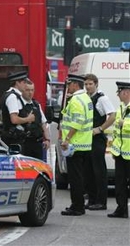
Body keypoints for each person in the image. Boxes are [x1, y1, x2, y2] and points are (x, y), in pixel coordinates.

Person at [60, 74, 94, 216]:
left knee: (75, 178)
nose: (68, 87)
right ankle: (79, 205)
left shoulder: (75, 100)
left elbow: (77, 122)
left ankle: (77, 206)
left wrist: (67, 139)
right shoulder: (86, 98)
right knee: (80, 176)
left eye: (69, 84)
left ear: (75, 85)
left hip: (75, 145)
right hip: (85, 144)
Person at [83, 73, 116, 211]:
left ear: (96, 84)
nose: (88, 86)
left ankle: (101, 202)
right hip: (86, 139)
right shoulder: (86, 98)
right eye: (86, 84)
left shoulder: (102, 99)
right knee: (89, 171)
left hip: (97, 139)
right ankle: (92, 199)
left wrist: (100, 129)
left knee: (99, 171)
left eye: (90, 84)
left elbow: (112, 115)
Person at [107, 81, 130, 219]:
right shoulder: (121, 107)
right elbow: (116, 131)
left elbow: (123, 126)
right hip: (121, 152)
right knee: (119, 183)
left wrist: (125, 124)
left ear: (126, 93)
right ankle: (121, 209)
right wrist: (114, 150)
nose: (118, 95)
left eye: (119, 92)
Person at [0, 71, 35, 149]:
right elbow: (14, 120)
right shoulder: (13, 97)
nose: (25, 85)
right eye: (23, 82)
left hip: (11, 136)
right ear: (17, 83)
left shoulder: (8, 94)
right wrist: (28, 119)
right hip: (13, 139)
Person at [21, 80, 51, 160]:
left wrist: (47, 139)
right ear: (22, 90)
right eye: (27, 90)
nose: (30, 93)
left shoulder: (36, 105)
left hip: (37, 143)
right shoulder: (19, 105)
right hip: (25, 143)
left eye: (32, 90)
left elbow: (43, 123)